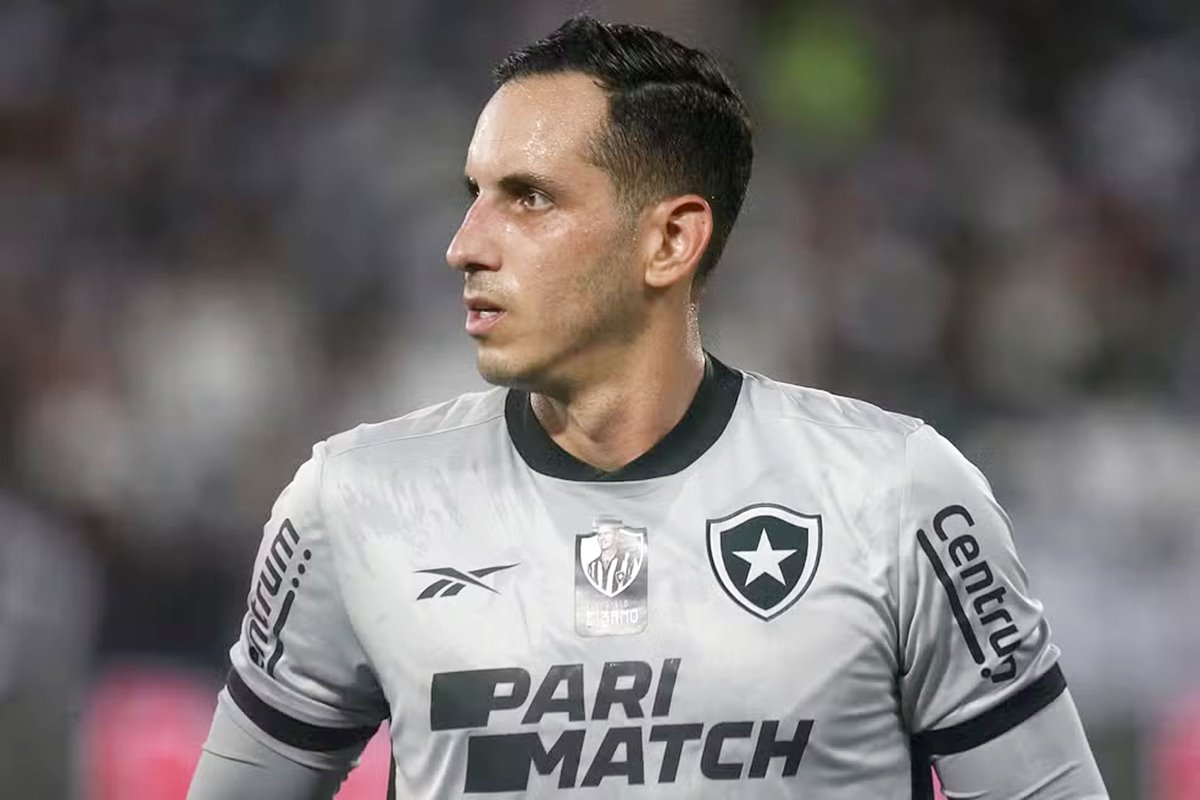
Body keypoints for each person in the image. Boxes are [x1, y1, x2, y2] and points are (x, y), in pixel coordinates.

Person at [188, 15, 1108, 799]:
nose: (465, 244)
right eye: (475, 196)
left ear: (670, 240)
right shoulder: (354, 501)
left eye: (529, 199)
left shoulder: (897, 497)